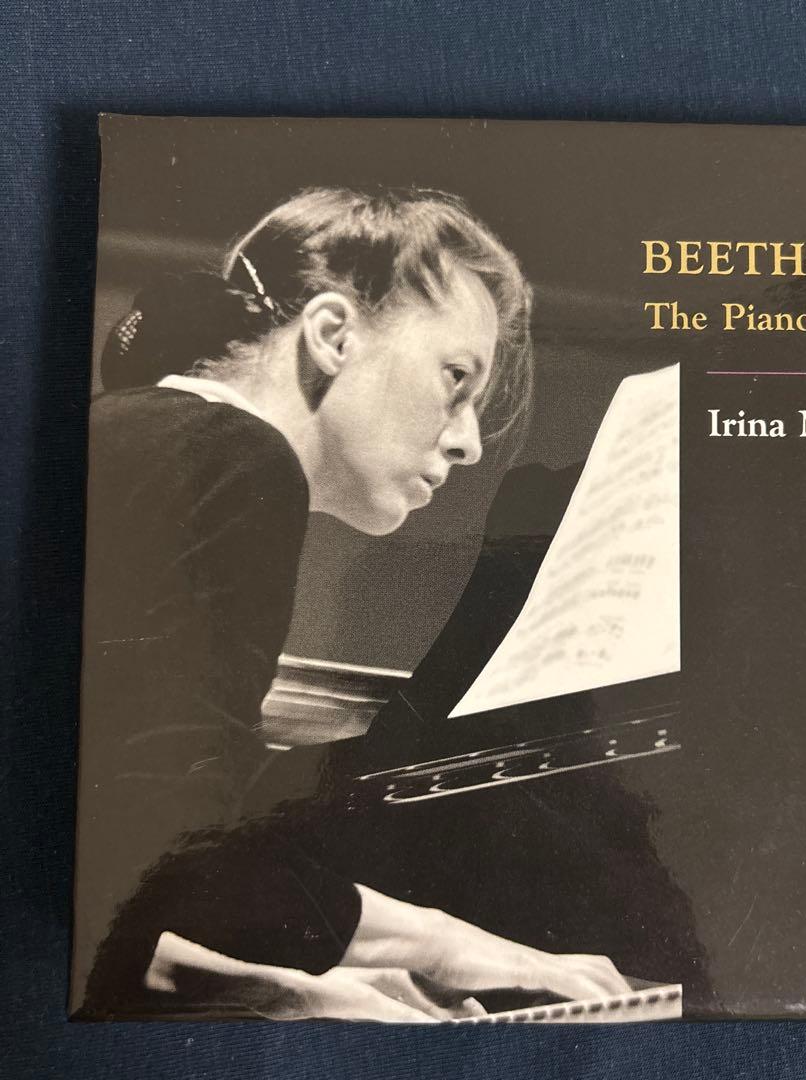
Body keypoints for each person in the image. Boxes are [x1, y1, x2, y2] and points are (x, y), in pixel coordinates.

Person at [74, 188, 630, 1020]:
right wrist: (453, 944)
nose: (469, 441)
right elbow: (167, 868)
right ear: (334, 334)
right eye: (455, 379)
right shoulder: (236, 455)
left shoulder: (140, 435)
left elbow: (113, 879)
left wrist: (282, 984)